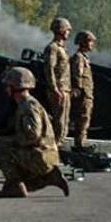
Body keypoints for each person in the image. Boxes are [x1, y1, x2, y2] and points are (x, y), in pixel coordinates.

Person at [0, 67, 69, 198]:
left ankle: (15, 186)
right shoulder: (27, 104)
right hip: (44, 154)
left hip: (41, 156)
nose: (6, 89)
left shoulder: (28, 107)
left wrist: (12, 141)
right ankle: (48, 177)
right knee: (5, 144)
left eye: (8, 85)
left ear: (15, 87)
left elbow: (33, 135)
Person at [42, 17, 73, 145]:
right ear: (60, 30)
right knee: (59, 122)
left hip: (65, 89)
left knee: (64, 121)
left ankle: (58, 145)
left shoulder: (62, 48)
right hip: (58, 90)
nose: (68, 32)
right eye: (67, 30)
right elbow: (49, 69)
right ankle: (54, 147)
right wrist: (54, 89)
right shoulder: (53, 48)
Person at [70, 30, 96, 151]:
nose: (92, 44)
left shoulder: (84, 58)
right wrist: (79, 90)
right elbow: (77, 75)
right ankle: (80, 144)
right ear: (83, 42)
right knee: (82, 119)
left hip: (87, 94)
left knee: (85, 119)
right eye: (90, 41)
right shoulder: (78, 58)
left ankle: (81, 142)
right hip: (83, 95)